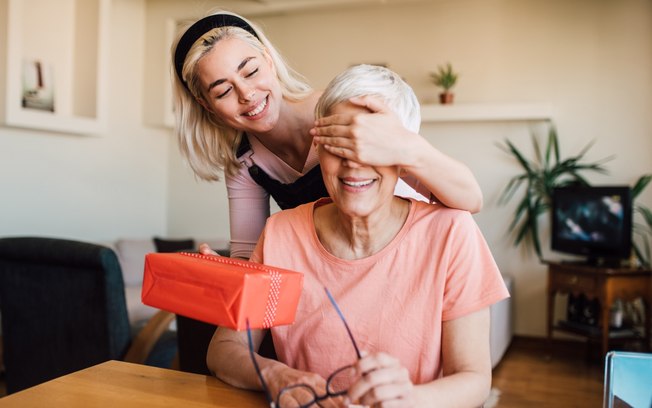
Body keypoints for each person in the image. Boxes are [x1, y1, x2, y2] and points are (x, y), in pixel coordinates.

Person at [206, 64, 509, 408]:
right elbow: (224, 350)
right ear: (319, 147)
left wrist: (408, 399)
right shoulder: (280, 234)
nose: (354, 164)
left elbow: (474, 379)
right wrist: (275, 374)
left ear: (404, 159)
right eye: (340, 145)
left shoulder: (451, 232)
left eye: (373, 148)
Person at [171, 10, 484, 260]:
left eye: (251, 71)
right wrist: (226, 270)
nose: (247, 94)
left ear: (268, 60)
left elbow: (469, 198)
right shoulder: (246, 163)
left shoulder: (341, 111)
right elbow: (252, 256)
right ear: (206, 105)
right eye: (223, 90)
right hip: (341, 265)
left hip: (411, 251)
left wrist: (403, 145)